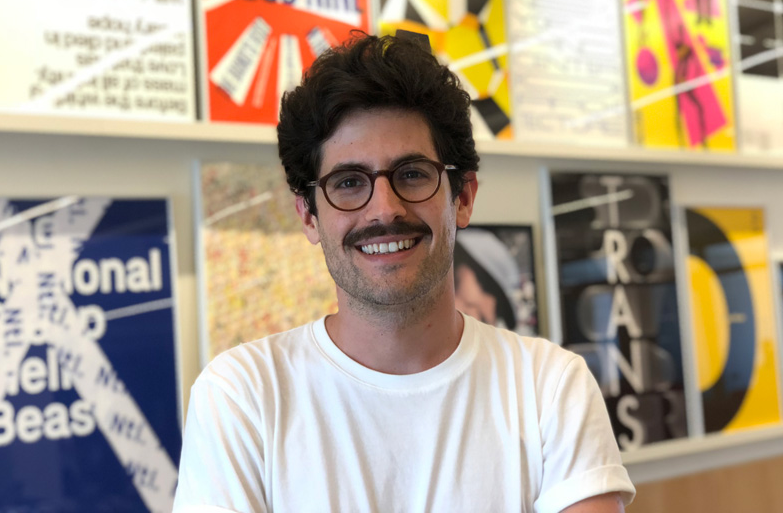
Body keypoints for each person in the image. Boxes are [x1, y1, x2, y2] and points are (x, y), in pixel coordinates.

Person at [173, 32, 636, 512]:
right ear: (309, 216)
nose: (384, 209)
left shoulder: (549, 387)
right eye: (348, 182)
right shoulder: (243, 396)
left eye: (412, 174)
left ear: (463, 197)